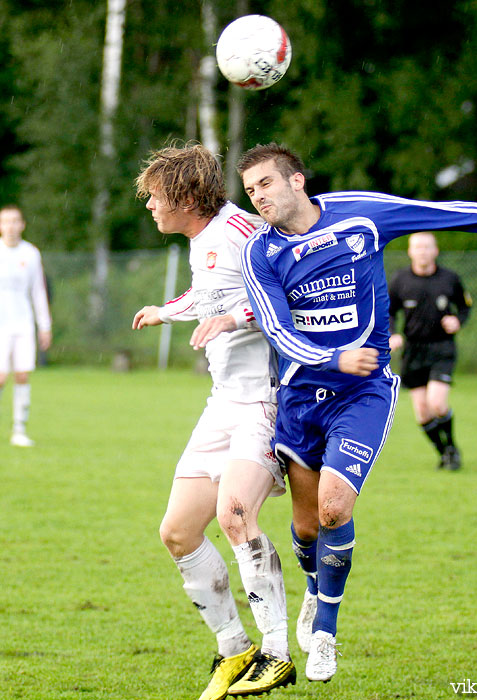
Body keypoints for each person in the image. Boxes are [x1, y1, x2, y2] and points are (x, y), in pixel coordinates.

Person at [235, 142, 477, 682]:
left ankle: (325, 633)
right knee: (304, 527)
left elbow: (446, 213)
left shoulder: (362, 214)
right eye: (251, 189)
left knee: (333, 508)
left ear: (297, 181)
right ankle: (313, 587)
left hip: (365, 392)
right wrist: (331, 356)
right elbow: (278, 330)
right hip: (302, 396)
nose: (258, 197)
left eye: (266, 184)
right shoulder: (261, 253)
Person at [131, 144, 295, 700]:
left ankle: (277, 652)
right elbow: (209, 294)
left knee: (235, 514)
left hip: (265, 402)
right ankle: (234, 648)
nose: (150, 206)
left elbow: (285, 291)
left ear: (184, 197)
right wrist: (166, 311)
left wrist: (234, 318)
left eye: (156, 197)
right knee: (177, 531)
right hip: (222, 402)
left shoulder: (243, 231)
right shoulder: (203, 240)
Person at [388, 232, 471, 470]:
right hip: (413, 350)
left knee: (437, 404)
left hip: (442, 348)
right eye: (418, 247)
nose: (423, 251)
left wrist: (457, 321)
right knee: (423, 413)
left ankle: (452, 448)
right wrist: (394, 333)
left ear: (435, 251)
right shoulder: (400, 280)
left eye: (427, 247)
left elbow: (465, 308)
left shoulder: (450, 279)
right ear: (410, 251)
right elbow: (389, 311)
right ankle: (445, 453)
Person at [0, 205, 52, 447]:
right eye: (5, 221)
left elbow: (37, 292)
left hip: (22, 323)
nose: (10, 226)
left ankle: (19, 429)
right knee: (1, 376)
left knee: (21, 374)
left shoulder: (30, 253)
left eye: (14, 221)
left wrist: (44, 325)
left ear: (22, 224)